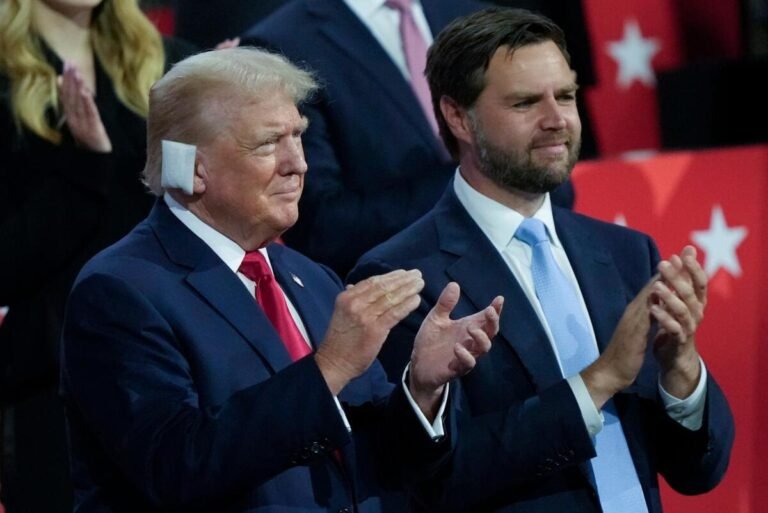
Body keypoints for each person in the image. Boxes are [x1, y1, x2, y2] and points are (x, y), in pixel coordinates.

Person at [59, 47, 502, 513]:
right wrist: (328, 367)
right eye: (269, 143)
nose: (298, 163)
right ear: (191, 167)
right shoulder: (120, 291)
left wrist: (422, 389)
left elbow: (377, 459)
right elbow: (176, 467)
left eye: (298, 136)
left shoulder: (310, 277)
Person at [350, 8, 734, 513]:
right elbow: (431, 479)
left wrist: (681, 371)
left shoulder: (625, 254)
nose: (557, 120)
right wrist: (601, 379)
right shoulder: (401, 278)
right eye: (526, 102)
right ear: (457, 116)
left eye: (567, 96)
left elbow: (697, 472)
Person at [0, 1, 195, 511]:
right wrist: (83, 168)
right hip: (50, 377)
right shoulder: (4, 76)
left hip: (169, 349)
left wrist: (219, 120)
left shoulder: (166, 62)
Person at [243, 0, 576, 279]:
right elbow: (322, 226)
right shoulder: (283, 44)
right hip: (401, 294)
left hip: (531, 263)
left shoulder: (473, 15)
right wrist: (481, 176)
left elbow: (553, 181)